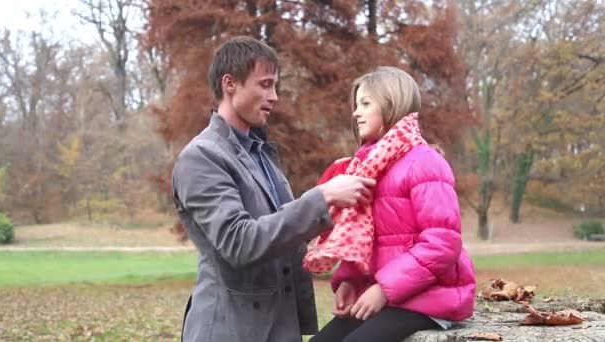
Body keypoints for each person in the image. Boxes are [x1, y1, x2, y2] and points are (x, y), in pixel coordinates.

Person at [171, 35, 376, 342]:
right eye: (265, 84)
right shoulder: (201, 158)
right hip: (230, 331)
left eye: (275, 86)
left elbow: (284, 232)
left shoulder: (262, 154)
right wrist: (323, 197)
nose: (275, 96)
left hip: (276, 328)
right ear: (230, 84)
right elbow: (240, 243)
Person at [307, 66, 476, 342]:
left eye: (365, 104)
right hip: (390, 295)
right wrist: (349, 281)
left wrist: (384, 289)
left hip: (430, 296)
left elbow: (442, 243)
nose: (355, 112)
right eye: (356, 104)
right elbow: (362, 240)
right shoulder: (367, 167)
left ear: (390, 105)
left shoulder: (425, 163)